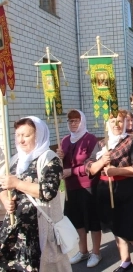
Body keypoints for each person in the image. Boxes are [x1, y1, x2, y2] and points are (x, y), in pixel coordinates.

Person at [0, 116, 71, 272]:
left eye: (26, 135)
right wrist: (5, 200)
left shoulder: (49, 159)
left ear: (38, 136)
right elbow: (3, 186)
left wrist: (17, 184)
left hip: (38, 231)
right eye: (18, 135)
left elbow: (48, 192)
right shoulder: (15, 160)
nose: (21, 140)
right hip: (15, 229)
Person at [85, 110, 133, 272]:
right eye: (112, 121)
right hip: (107, 193)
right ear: (107, 124)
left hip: (130, 193)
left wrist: (116, 171)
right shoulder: (101, 145)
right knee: (118, 231)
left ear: (125, 123)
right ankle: (125, 261)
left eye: (120, 121)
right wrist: (101, 162)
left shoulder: (131, 142)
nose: (116, 124)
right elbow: (89, 167)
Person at [56, 110, 102, 267]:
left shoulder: (90, 139)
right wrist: (59, 157)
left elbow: (92, 163)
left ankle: (96, 252)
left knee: (93, 220)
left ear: (82, 121)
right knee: (77, 221)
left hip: (88, 186)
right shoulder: (65, 140)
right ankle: (83, 251)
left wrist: (71, 171)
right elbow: (62, 165)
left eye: (76, 121)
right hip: (71, 187)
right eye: (70, 121)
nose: (73, 124)